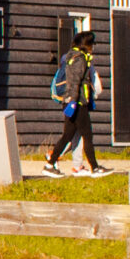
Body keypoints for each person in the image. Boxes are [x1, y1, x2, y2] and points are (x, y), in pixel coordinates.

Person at [45, 28, 103, 177]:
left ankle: (49, 164)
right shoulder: (80, 58)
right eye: (92, 44)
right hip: (77, 102)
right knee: (87, 135)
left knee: (67, 136)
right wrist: (74, 101)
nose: (93, 47)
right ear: (87, 44)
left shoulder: (71, 56)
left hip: (71, 101)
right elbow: (75, 81)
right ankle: (95, 168)